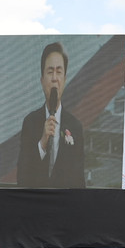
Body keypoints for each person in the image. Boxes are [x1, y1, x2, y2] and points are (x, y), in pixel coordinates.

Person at [17, 42, 85, 188]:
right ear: (42, 80)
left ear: (64, 79)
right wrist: (42, 143)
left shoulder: (76, 127)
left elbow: (80, 182)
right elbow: (21, 177)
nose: (54, 78)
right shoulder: (30, 122)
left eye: (59, 72)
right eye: (50, 72)